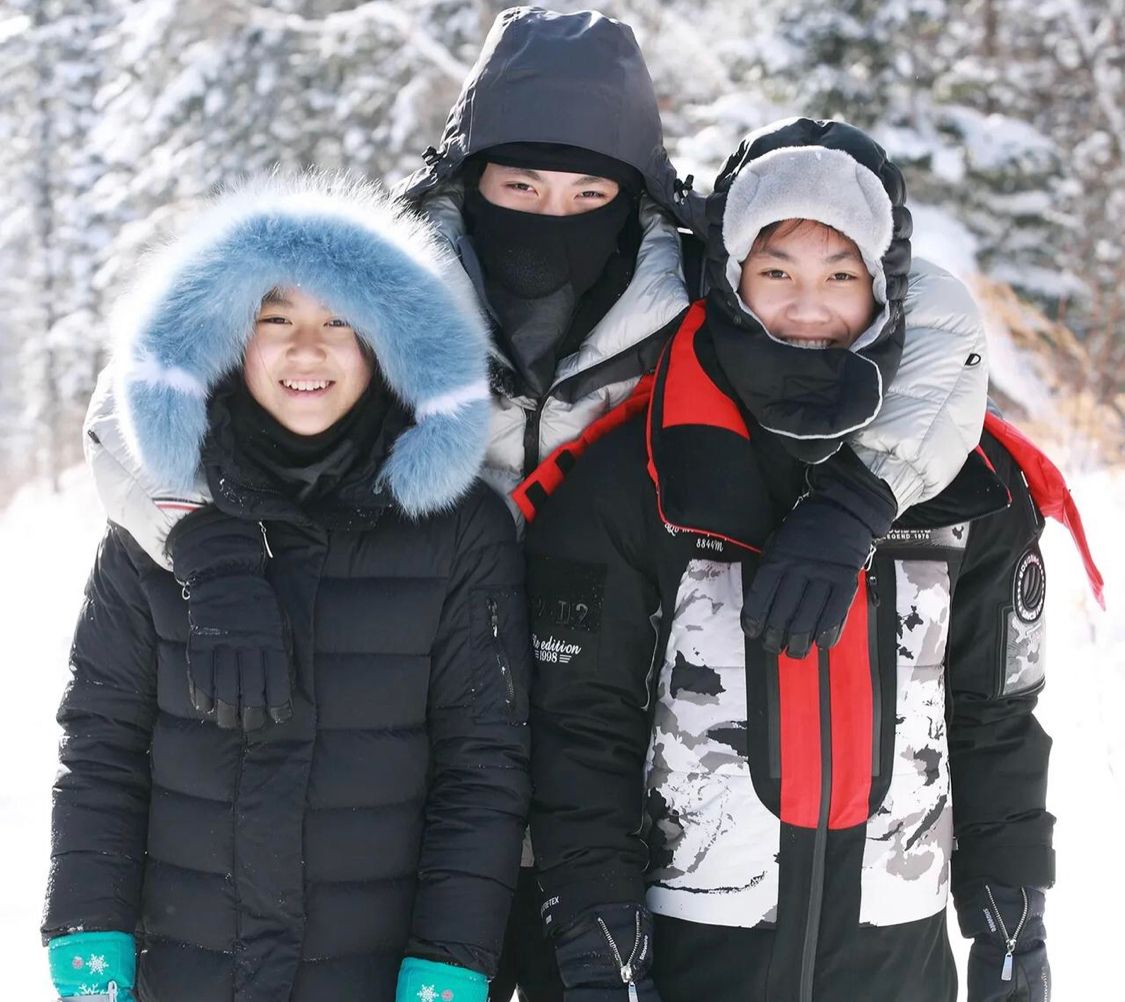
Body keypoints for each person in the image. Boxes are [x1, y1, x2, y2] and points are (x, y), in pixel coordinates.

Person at [76, 10, 992, 1002]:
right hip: (411, 817)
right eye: (519, 186)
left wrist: (861, 494)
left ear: (635, 191)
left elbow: (933, 313)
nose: (551, 217)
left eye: (589, 192)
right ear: (466, 175)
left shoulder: (699, 285)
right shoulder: (385, 281)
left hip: (614, 821)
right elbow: (137, 390)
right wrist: (203, 541)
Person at [523, 119, 1092, 1002]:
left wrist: (1012, 911)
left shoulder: (973, 487)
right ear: (731, 279)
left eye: (841, 275)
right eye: (776, 272)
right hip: (686, 953)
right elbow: (579, 728)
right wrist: (599, 933)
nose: (808, 305)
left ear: (884, 286)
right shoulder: (632, 475)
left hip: (894, 957)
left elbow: (995, 717)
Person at [41, 174, 531, 1002]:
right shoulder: (159, 527)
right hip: (190, 973)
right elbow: (101, 748)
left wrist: (451, 959)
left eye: (339, 322)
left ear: (387, 347)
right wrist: (88, 934)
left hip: (376, 977)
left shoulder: (457, 533)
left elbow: (481, 766)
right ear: (231, 339)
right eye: (276, 321)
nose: (307, 350)